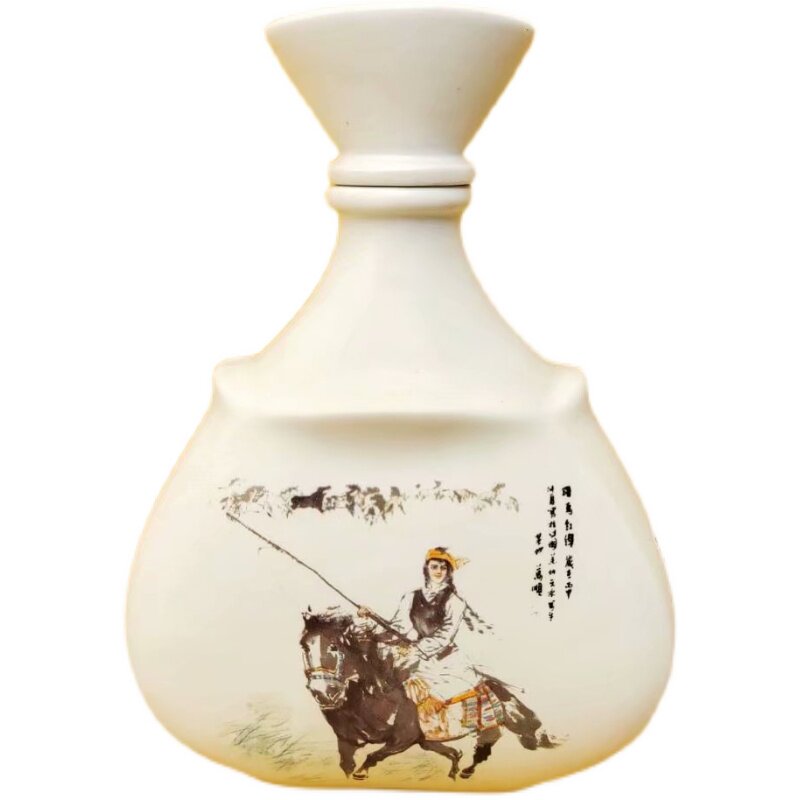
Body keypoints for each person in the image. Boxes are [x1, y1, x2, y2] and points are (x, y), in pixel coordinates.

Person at [358, 547, 482, 725]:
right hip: (415, 653)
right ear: (427, 569)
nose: (438, 571)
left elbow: (445, 635)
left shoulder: (455, 602)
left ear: (448, 572)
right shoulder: (410, 597)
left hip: (443, 657)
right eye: (434, 567)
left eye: (443, 568)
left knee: (433, 691)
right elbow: (398, 627)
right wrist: (371, 617)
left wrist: (416, 650)